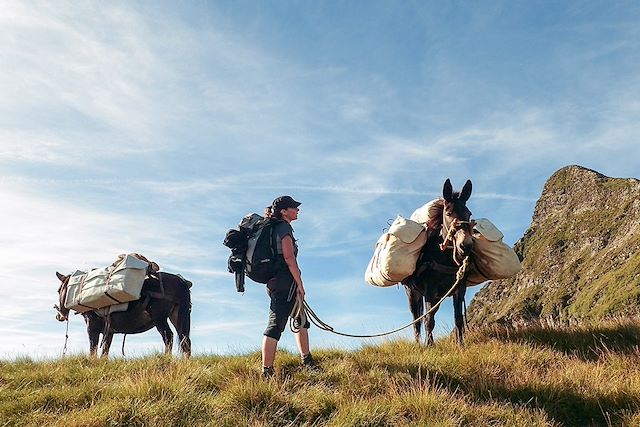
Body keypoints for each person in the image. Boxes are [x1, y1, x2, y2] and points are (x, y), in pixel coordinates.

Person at [261, 195, 315, 378]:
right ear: (284, 211)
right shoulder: (283, 228)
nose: (297, 210)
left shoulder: (276, 228)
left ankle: (307, 360)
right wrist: (300, 284)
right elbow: (289, 258)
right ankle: (266, 371)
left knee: (301, 320)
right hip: (285, 283)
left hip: (279, 282)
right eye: (294, 207)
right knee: (275, 325)